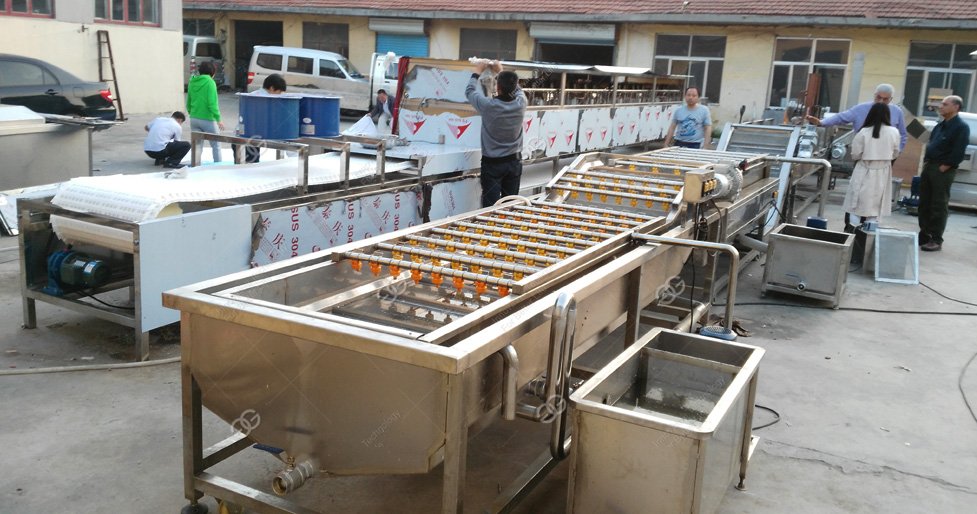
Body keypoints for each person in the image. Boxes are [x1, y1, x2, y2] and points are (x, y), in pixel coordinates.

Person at [465, 61, 527, 208]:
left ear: (497, 87)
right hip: (514, 163)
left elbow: (469, 91)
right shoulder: (521, 103)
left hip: (492, 165)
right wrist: (501, 71)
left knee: (490, 207)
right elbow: (517, 90)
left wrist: (477, 72)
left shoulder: (487, 105)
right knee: (510, 205)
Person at [918, 95, 970, 252]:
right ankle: (924, 234)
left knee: (938, 204)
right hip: (930, 167)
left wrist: (945, 166)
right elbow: (931, 143)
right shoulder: (940, 126)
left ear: (956, 107)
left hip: (942, 170)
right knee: (925, 202)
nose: (941, 107)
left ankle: (936, 238)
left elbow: (958, 151)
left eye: (945, 104)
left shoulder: (961, 127)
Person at [843, 103, 900, 226]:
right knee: (875, 206)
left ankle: (853, 232)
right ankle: (869, 234)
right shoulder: (894, 132)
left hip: (864, 169)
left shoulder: (864, 131)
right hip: (883, 170)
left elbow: (855, 154)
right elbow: (895, 153)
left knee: (856, 204)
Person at [806, 83, 908, 151]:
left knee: (880, 183)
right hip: (863, 153)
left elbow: (902, 135)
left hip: (886, 156)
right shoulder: (860, 109)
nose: (881, 101)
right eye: (878, 97)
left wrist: (897, 151)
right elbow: (841, 117)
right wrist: (821, 122)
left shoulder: (897, 112)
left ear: (891, 99)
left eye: (885, 99)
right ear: (874, 95)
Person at [239, 73, 287, 163]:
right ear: (272, 88)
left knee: (245, 166)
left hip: (242, 134)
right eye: (279, 92)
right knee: (251, 166)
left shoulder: (254, 94)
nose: (279, 95)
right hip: (250, 137)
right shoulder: (265, 98)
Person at [186, 61, 224, 163]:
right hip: (207, 119)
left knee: (197, 145)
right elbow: (212, 103)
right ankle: (219, 167)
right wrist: (218, 119)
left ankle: (195, 165)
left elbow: (188, 100)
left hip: (194, 117)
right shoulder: (210, 82)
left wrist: (191, 112)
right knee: (216, 144)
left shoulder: (192, 81)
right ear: (212, 72)